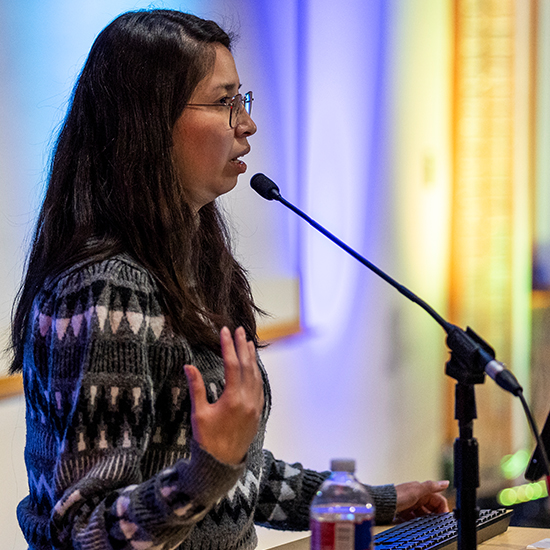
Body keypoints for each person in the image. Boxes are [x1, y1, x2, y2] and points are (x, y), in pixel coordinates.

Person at [10, 9, 449, 550]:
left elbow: (239, 478)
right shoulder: (106, 289)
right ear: (150, 121)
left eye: (243, 99)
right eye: (224, 102)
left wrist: (373, 499)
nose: (247, 123)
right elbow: (84, 533)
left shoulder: (193, 260)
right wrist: (208, 468)